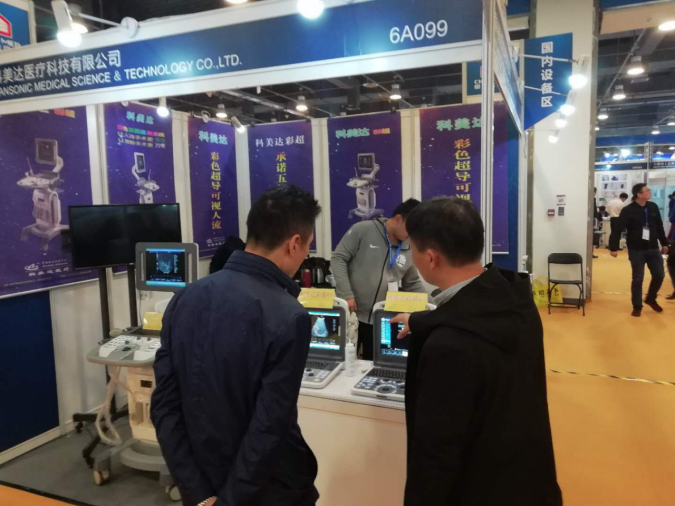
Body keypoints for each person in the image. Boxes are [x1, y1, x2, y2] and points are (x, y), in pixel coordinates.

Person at [151, 185, 321, 506]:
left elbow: (164, 406)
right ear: (294, 243)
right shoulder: (289, 316)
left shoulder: (184, 298)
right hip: (266, 490)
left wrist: (197, 493)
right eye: (308, 247)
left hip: (201, 482)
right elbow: (269, 426)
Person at [391, 198, 562, 506]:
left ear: (430, 258)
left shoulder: (448, 346)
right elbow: (467, 314)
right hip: (530, 481)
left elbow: (436, 456)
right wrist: (418, 320)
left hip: (478, 490)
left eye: (412, 248)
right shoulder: (516, 302)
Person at [332, 199, 427, 360]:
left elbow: (412, 283)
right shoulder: (363, 229)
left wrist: (433, 307)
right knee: (344, 362)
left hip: (383, 319)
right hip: (352, 314)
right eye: (411, 229)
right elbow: (338, 259)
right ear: (398, 219)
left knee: (375, 364)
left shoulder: (409, 246)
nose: (411, 236)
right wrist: (346, 293)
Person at [609, 183, 669, 317]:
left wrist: (664, 243)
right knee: (638, 279)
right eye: (647, 191)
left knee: (659, 275)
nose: (650, 192)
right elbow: (617, 229)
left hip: (653, 248)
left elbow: (659, 226)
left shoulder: (653, 207)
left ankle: (650, 298)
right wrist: (613, 247)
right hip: (636, 250)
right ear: (639, 194)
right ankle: (637, 306)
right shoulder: (628, 210)